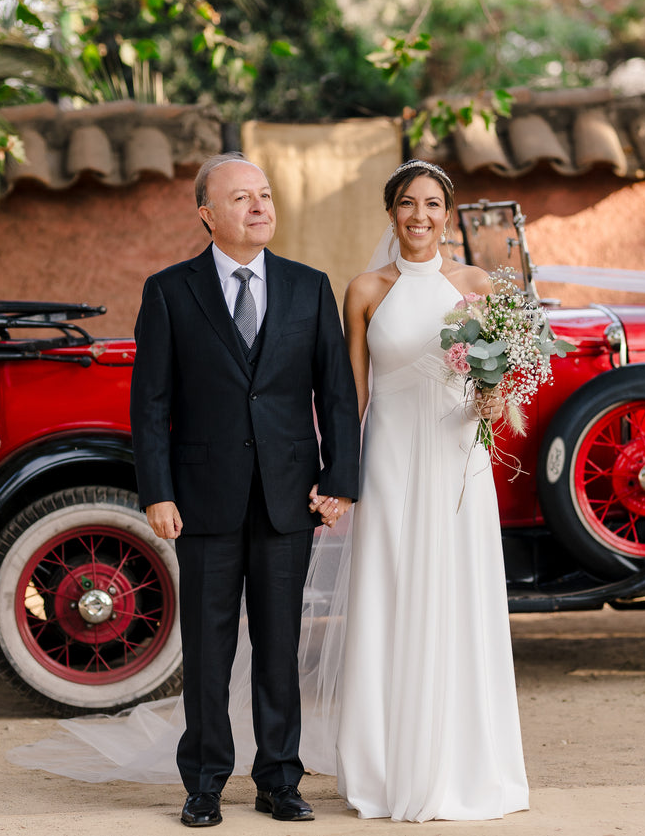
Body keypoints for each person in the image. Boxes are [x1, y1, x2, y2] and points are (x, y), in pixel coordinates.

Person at [128, 152, 362, 828]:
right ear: (207, 214)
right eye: (241, 198)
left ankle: (279, 780)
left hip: (289, 496)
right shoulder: (170, 291)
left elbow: (336, 393)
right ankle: (203, 782)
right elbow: (151, 403)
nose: (258, 206)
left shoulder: (308, 286)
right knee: (207, 648)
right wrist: (157, 491)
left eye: (264, 195)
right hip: (201, 498)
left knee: (280, 648)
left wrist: (338, 477)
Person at [317, 159, 530, 821]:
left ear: (447, 212)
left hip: (452, 458)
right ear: (390, 213)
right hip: (386, 457)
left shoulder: (477, 286)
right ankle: (384, 769)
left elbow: (495, 394)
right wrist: (337, 481)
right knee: (387, 596)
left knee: (455, 597)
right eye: (406, 203)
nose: (419, 216)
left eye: (432, 204)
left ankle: (460, 765)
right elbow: (349, 397)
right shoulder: (362, 289)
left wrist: (493, 395)